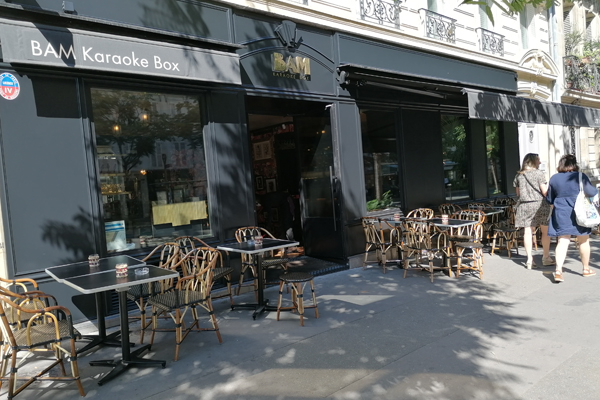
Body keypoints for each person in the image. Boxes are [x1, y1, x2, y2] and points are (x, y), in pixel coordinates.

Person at [546, 154, 598, 283]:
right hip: (580, 211)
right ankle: (586, 269)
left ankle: (558, 271)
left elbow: (549, 199)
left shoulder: (554, 178)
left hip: (561, 211)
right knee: (583, 240)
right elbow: (592, 192)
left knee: (562, 241)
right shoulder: (580, 176)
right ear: (574, 164)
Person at [513, 153, 554, 269]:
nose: (540, 162)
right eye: (538, 160)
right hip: (540, 204)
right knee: (545, 231)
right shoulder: (539, 174)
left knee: (527, 232)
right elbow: (545, 192)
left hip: (525, 205)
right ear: (533, 161)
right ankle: (546, 257)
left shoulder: (519, 176)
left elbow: (518, 193)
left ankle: (530, 259)